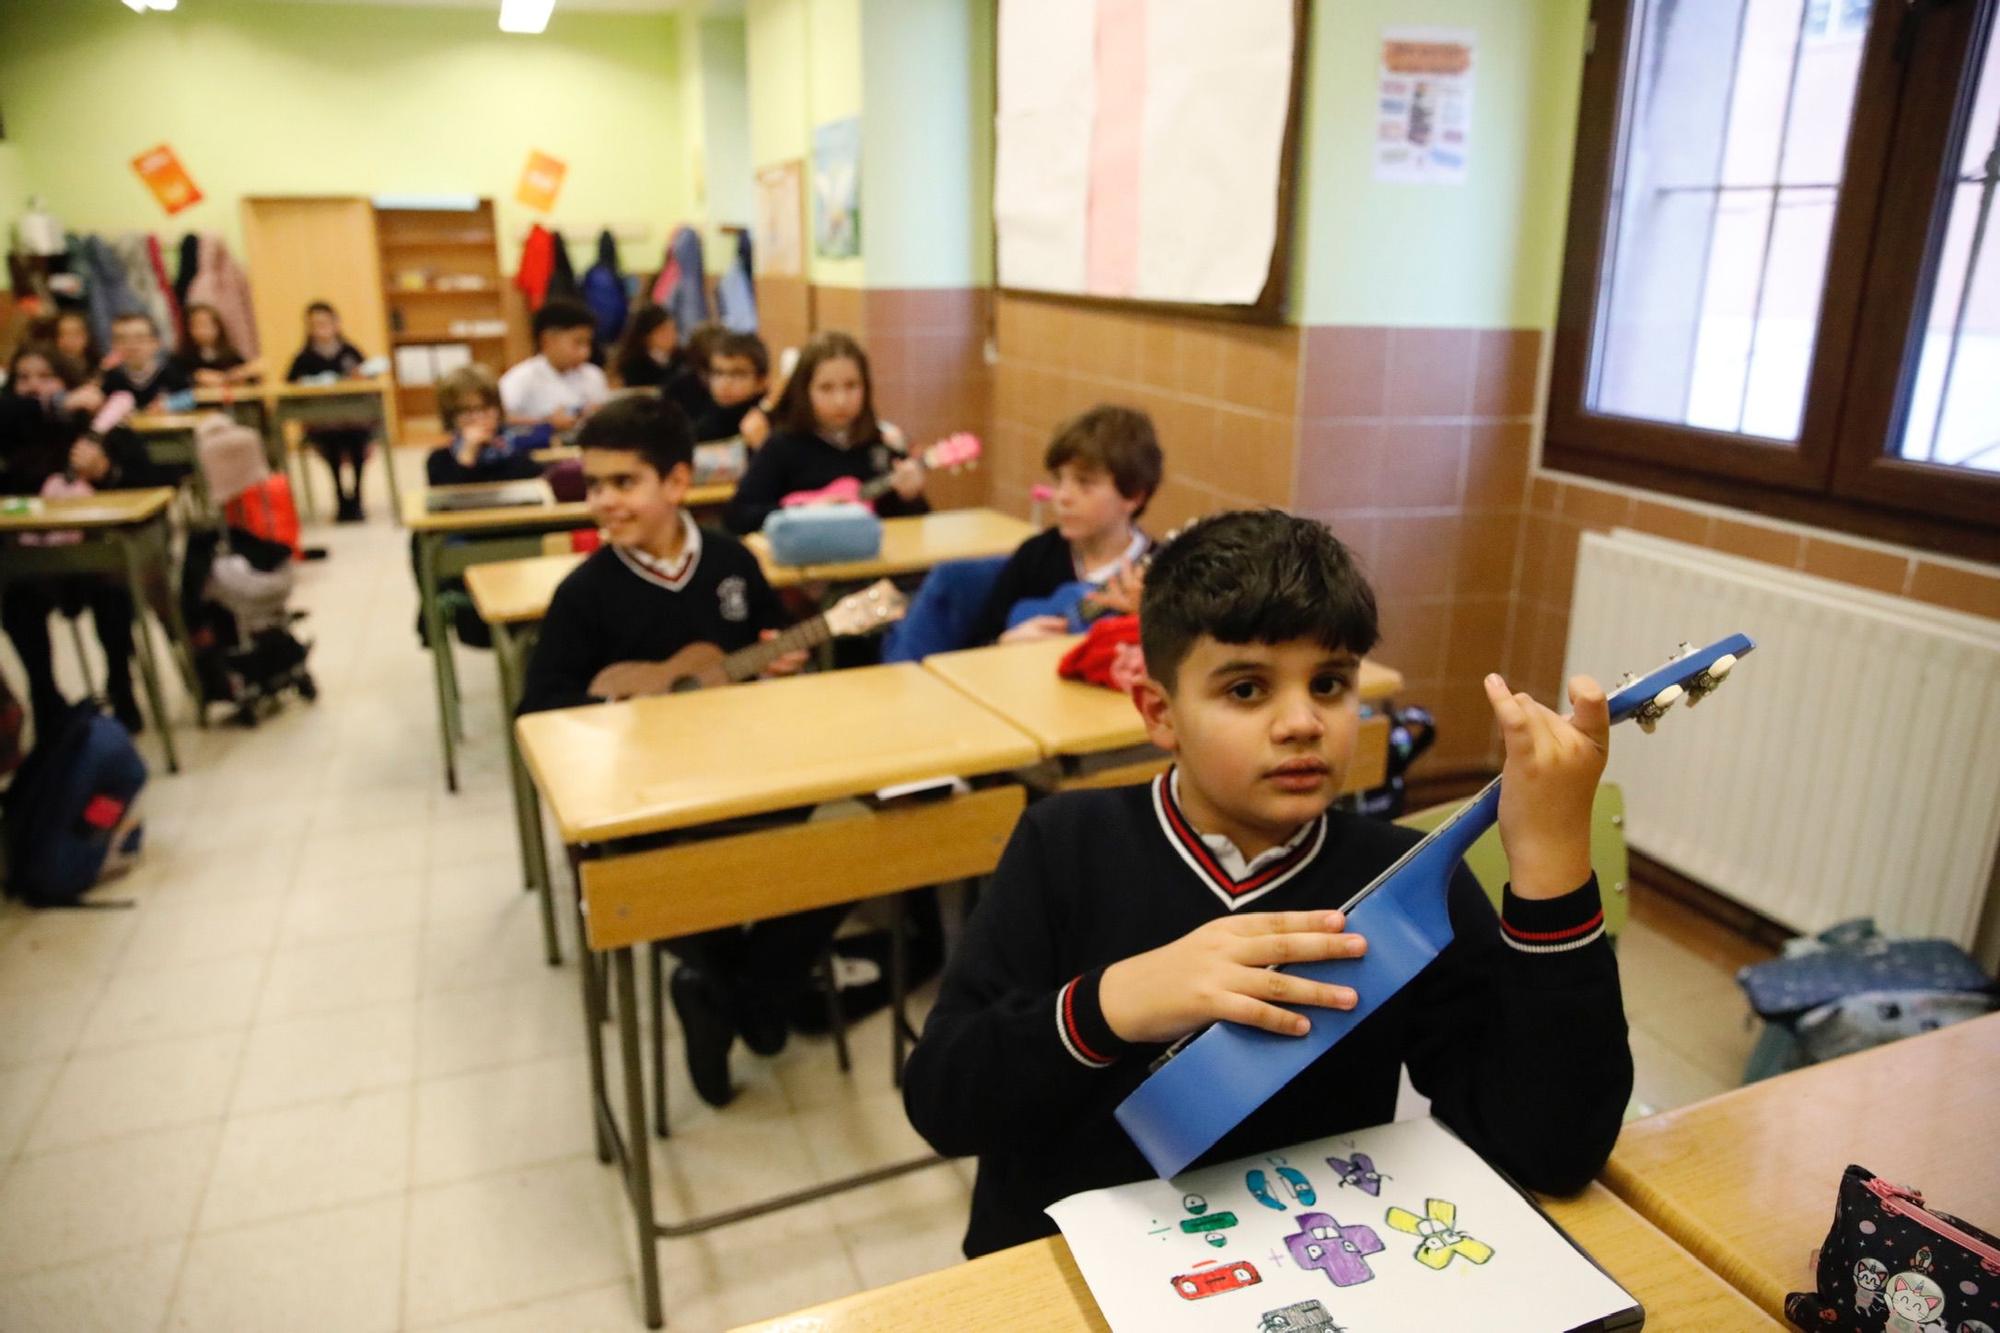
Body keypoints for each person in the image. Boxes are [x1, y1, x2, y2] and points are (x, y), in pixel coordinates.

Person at [901, 508, 1631, 1258]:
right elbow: (943, 1103)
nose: (1302, 722)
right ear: (1160, 711)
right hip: (1062, 1272)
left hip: (1305, 1265)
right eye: (1247, 689)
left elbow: (1549, 1150)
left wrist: (1550, 859)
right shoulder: (1064, 842)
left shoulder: (1406, 878)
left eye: (1329, 683)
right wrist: (1111, 1001)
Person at [515, 394, 832, 1107]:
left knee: (852, 843)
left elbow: (771, 649)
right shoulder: (583, 594)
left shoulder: (731, 564)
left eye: (623, 483)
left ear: (678, 483)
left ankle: (719, 988)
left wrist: (780, 667)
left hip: (745, 778)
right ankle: (747, 994)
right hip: (642, 803)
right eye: (594, 484)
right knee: (657, 879)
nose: (603, 500)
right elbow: (535, 712)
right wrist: (618, 717)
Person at [0, 343, 162, 735]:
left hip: (98, 554)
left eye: (45, 377)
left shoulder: (100, 424)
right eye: (23, 379)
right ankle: (45, 692)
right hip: (34, 556)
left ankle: (120, 684)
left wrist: (106, 471)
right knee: (16, 596)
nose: (34, 387)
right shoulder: (12, 430)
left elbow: (150, 482)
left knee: (111, 590)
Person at [968, 405, 1162, 647]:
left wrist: (1143, 622)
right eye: (1059, 479)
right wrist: (1003, 645)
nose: (1062, 496)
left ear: (1133, 495)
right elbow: (978, 641)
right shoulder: (1036, 554)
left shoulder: (1161, 574)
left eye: (1084, 483)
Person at [722, 330, 925, 535]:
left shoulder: (883, 443)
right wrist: (800, 512)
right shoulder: (782, 446)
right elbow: (738, 516)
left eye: (851, 386)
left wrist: (910, 496)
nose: (841, 401)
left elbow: (914, 527)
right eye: (826, 388)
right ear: (805, 392)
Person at [285, 301, 371, 522]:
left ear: (336, 324)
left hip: (353, 421)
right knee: (330, 442)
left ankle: (357, 496)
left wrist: (359, 377)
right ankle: (340, 496)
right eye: (316, 324)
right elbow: (289, 383)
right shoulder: (304, 357)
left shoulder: (349, 352)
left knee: (357, 441)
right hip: (323, 423)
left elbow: (368, 376)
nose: (321, 328)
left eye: (325, 322)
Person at [425, 365, 544, 487]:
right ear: (451, 417)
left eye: (485, 408)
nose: (478, 417)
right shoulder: (439, 461)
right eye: (467, 411)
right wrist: (468, 452)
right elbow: (446, 500)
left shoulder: (516, 452)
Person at [500, 298, 608, 431]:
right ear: (548, 340)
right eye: (578, 343)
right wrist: (545, 423)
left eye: (588, 343)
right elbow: (499, 419)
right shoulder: (522, 377)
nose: (585, 352)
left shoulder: (593, 374)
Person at [610, 303, 706, 421]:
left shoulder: (684, 358)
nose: (671, 335)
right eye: (663, 331)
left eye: (673, 329)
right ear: (646, 336)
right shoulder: (631, 364)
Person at [692, 330, 773, 446]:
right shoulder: (699, 429)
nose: (725, 383)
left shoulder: (773, 427)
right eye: (718, 373)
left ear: (761, 381)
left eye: (738, 374)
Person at [99, 312, 191, 409]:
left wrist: (169, 405)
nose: (131, 346)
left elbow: (191, 398)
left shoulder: (172, 372)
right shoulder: (110, 378)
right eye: (122, 339)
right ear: (113, 344)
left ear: (156, 343)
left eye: (140, 338)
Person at [174, 303, 260, 387]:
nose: (202, 330)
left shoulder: (230, 355)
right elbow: (176, 382)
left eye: (207, 325)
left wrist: (239, 376)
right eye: (197, 325)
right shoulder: (182, 357)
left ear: (218, 327)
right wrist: (195, 378)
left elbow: (250, 379)